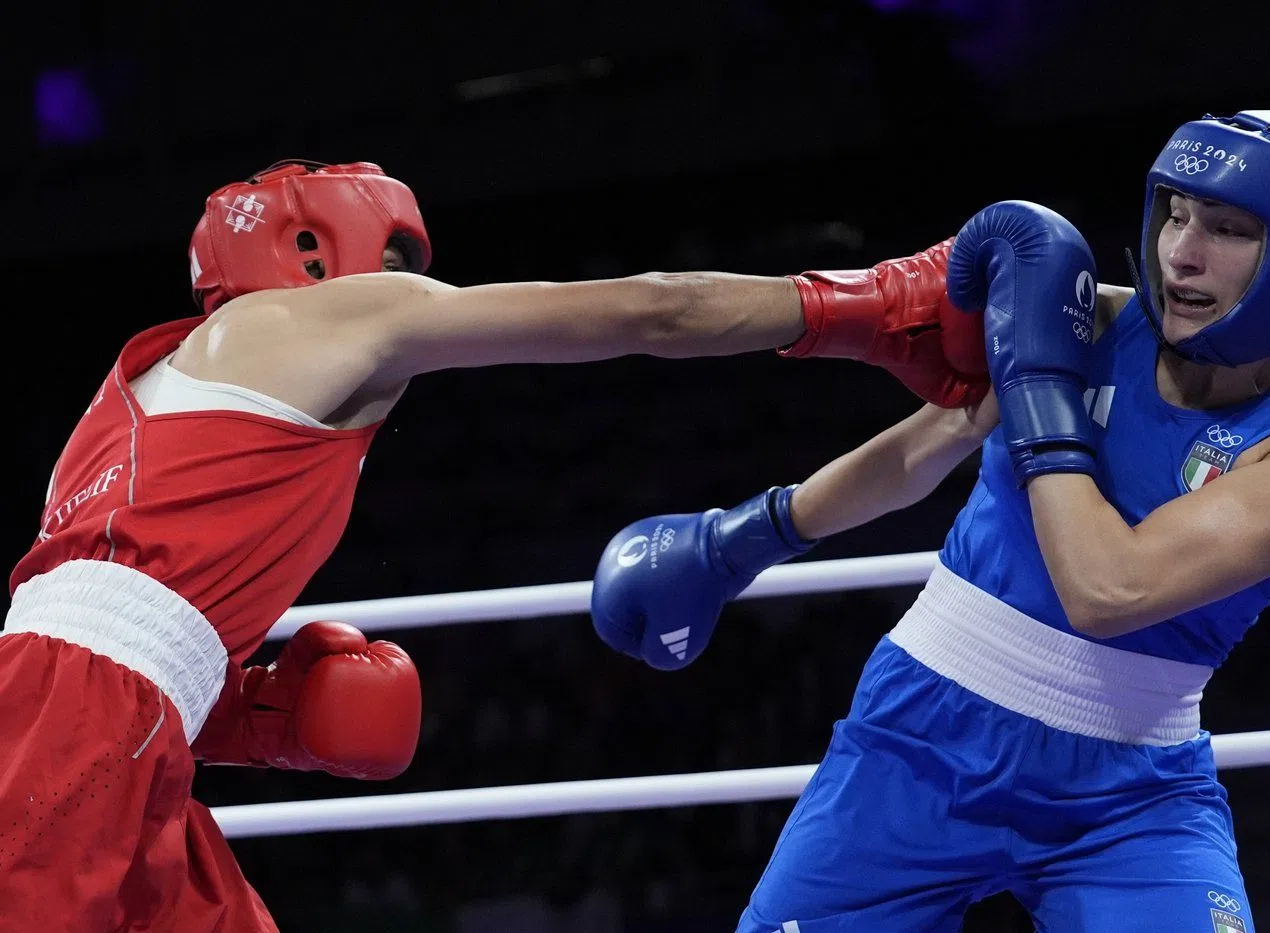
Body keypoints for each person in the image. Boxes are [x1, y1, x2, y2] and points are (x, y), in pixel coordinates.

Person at [1, 158, 989, 932]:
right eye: (395, 264)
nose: (414, 290)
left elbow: (92, 651)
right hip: (87, 729)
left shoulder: (131, 401)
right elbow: (653, 308)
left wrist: (261, 718)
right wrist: (872, 304)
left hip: (117, 733)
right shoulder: (331, 313)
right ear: (315, 252)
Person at [590, 110, 1270, 930]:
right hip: (919, 736)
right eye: (1178, 216)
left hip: (1130, 795)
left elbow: (1110, 588)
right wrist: (744, 538)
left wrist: (1042, 395)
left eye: (1226, 229)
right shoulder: (1093, 320)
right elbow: (924, 449)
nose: (1181, 253)